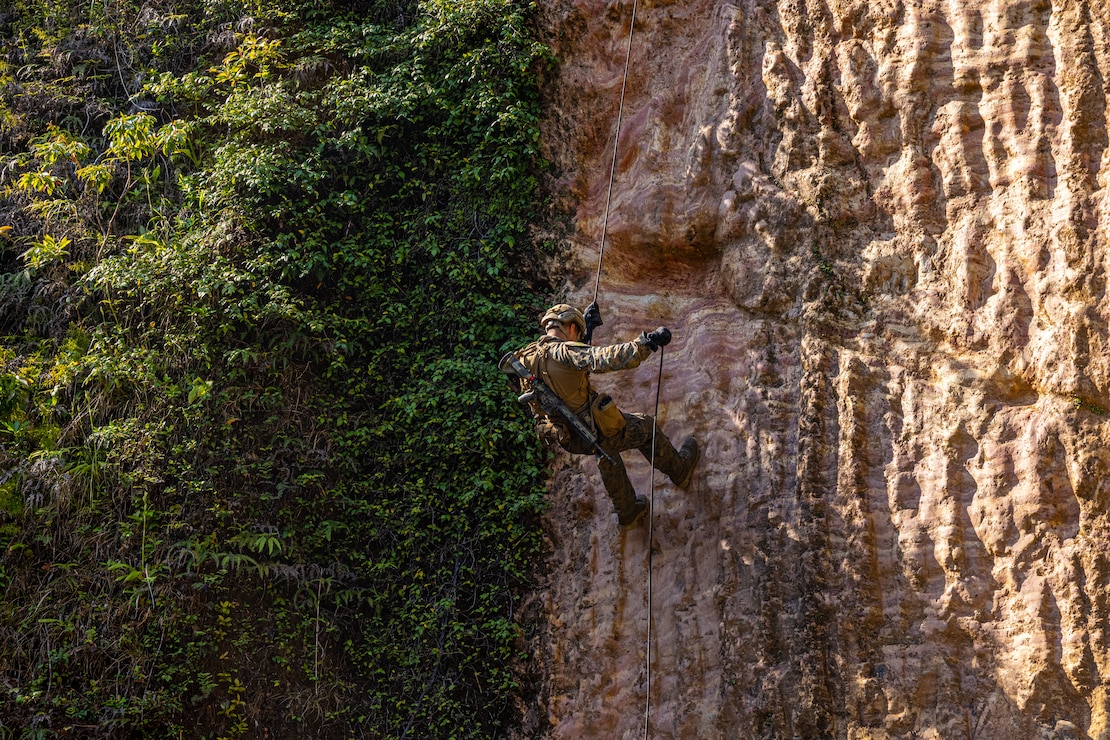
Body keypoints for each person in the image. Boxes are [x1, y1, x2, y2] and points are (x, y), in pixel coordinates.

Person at [512, 302, 699, 527]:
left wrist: (588, 329)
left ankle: (628, 511)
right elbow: (603, 358)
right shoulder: (566, 352)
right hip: (593, 426)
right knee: (644, 428)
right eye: (578, 331)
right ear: (570, 327)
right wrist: (646, 343)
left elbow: (563, 374)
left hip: (570, 437)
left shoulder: (525, 359)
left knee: (605, 451)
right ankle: (680, 471)